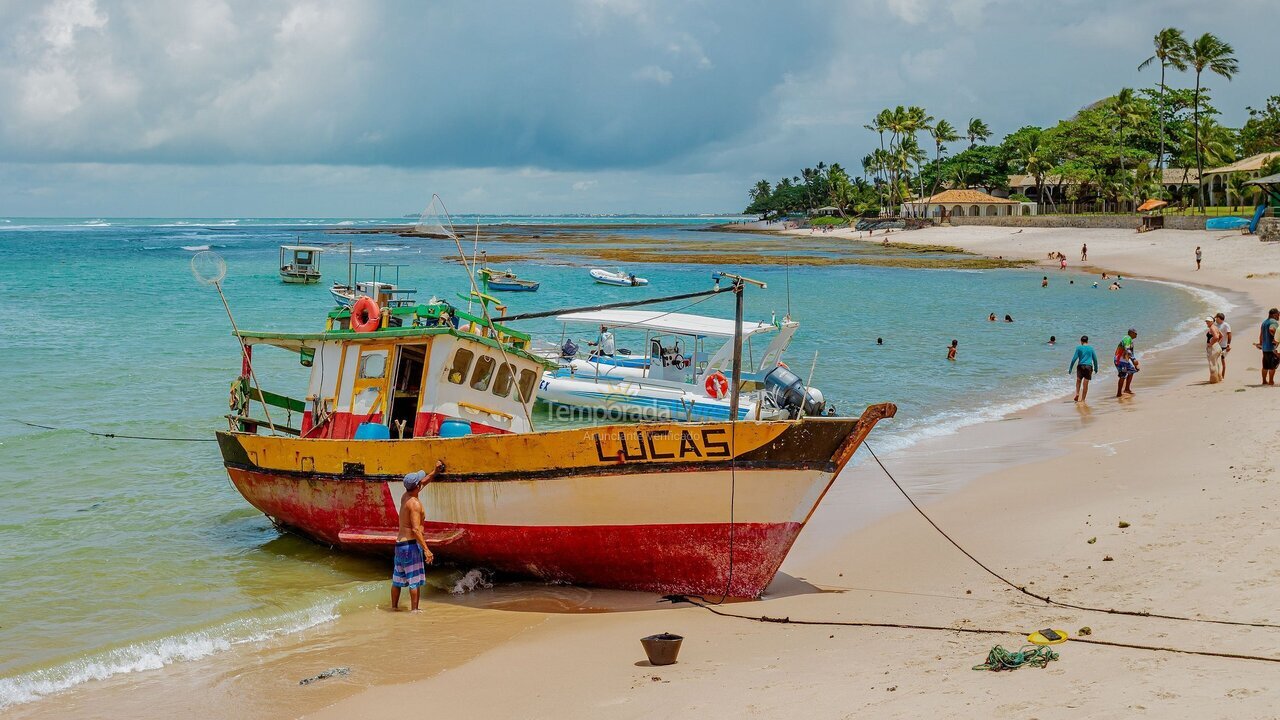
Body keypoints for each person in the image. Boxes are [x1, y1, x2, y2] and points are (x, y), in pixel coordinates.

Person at [392, 461, 446, 611]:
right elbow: (416, 530)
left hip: (399, 545)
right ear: (416, 487)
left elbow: (422, 482)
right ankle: (415, 610)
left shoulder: (406, 496)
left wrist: (434, 472)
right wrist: (427, 550)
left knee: (397, 581)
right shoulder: (415, 504)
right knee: (414, 581)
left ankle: (394, 608)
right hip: (410, 546)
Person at [1068, 335, 1098, 402]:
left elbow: (1074, 359)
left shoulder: (1078, 348)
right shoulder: (1091, 348)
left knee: (1078, 381)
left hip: (1080, 366)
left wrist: (1070, 368)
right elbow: (1095, 359)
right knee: (1085, 384)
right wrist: (1096, 368)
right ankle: (1083, 399)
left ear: (1081, 341)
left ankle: (1077, 393)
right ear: (1087, 341)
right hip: (1088, 366)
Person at [1255, 308, 1280, 385]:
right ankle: (1271, 381)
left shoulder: (1264, 322)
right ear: (1274, 314)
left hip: (1265, 347)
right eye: (1278, 314)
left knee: (1265, 365)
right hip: (1271, 347)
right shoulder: (1274, 322)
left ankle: (1264, 381)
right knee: (1273, 366)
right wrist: (1275, 338)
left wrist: (1260, 344)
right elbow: (1272, 329)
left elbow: (1261, 335)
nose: (1279, 316)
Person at [1115, 328, 1139, 397]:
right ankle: (1119, 393)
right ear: (1131, 333)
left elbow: (1131, 353)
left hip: (1125, 361)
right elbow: (1127, 349)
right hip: (1120, 360)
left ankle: (1127, 389)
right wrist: (1134, 359)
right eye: (1135, 333)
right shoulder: (1127, 338)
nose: (1136, 334)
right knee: (1123, 375)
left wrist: (1135, 365)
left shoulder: (1130, 341)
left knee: (1131, 371)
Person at [1205, 317, 1224, 384]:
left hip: (1213, 348)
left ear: (1212, 321)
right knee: (1217, 363)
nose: (1207, 322)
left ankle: (1214, 380)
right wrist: (1217, 343)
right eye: (1206, 321)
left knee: (1212, 364)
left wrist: (1211, 344)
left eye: (1208, 321)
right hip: (1217, 347)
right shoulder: (1215, 327)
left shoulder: (1212, 328)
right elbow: (1221, 336)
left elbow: (1216, 337)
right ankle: (1219, 377)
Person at [1215, 312, 1231, 379]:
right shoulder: (1216, 325)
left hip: (1224, 346)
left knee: (1222, 360)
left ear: (1219, 318)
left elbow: (1229, 334)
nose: (1215, 319)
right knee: (1215, 360)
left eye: (1216, 318)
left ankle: (1223, 376)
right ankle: (1217, 375)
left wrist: (1228, 344)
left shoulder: (1225, 325)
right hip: (1217, 345)